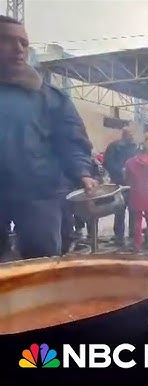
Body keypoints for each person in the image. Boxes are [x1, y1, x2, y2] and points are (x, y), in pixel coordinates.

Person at [0, 15, 97, 259]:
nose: (19, 48)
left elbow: (71, 139)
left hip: (39, 194)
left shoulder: (49, 96)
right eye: (8, 41)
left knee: (41, 264)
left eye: (24, 42)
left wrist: (83, 174)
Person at [103, 127, 138, 246]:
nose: (131, 136)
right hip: (120, 182)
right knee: (119, 209)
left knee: (132, 210)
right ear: (124, 134)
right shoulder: (114, 146)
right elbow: (107, 162)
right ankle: (119, 235)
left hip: (132, 183)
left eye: (132, 133)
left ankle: (131, 234)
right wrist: (120, 171)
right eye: (129, 133)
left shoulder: (136, 147)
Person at [125, 134, 148, 251]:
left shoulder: (130, 162)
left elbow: (126, 178)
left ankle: (137, 244)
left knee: (137, 220)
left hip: (136, 193)